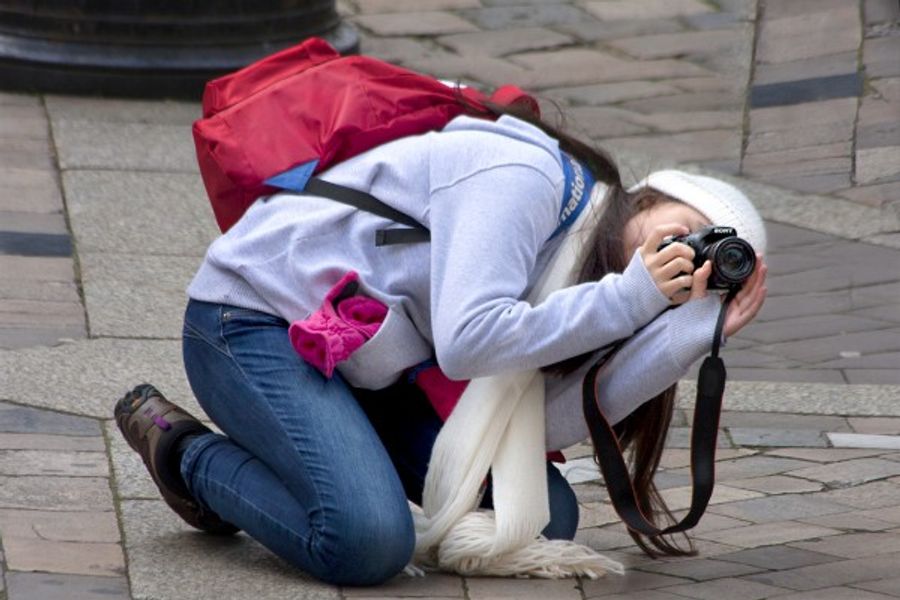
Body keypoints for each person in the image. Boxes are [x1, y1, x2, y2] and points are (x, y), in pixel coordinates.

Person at [114, 101, 768, 587]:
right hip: (252, 319)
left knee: (541, 516)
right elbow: (468, 345)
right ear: (648, 198)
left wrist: (684, 333)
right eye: (685, 229)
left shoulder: (605, 285)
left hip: (365, 364)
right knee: (367, 542)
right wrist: (633, 300)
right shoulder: (529, 179)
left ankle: (320, 452)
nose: (683, 253)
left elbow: (544, 423)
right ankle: (186, 455)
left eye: (704, 259)